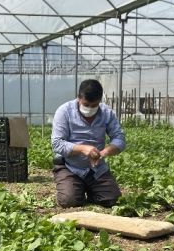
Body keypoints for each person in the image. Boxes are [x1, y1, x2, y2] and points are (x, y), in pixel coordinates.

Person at [51, 79, 126, 208]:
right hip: (70, 167)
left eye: (94, 105)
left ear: (100, 101)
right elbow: (57, 143)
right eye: (86, 104)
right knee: (69, 201)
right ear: (78, 98)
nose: (90, 109)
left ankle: (91, 188)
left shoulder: (107, 113)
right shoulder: (64, 111)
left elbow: (119, 138)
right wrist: (82, 149)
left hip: (96, 169)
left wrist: (106, 151)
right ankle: (74, 185)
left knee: (112, 199)